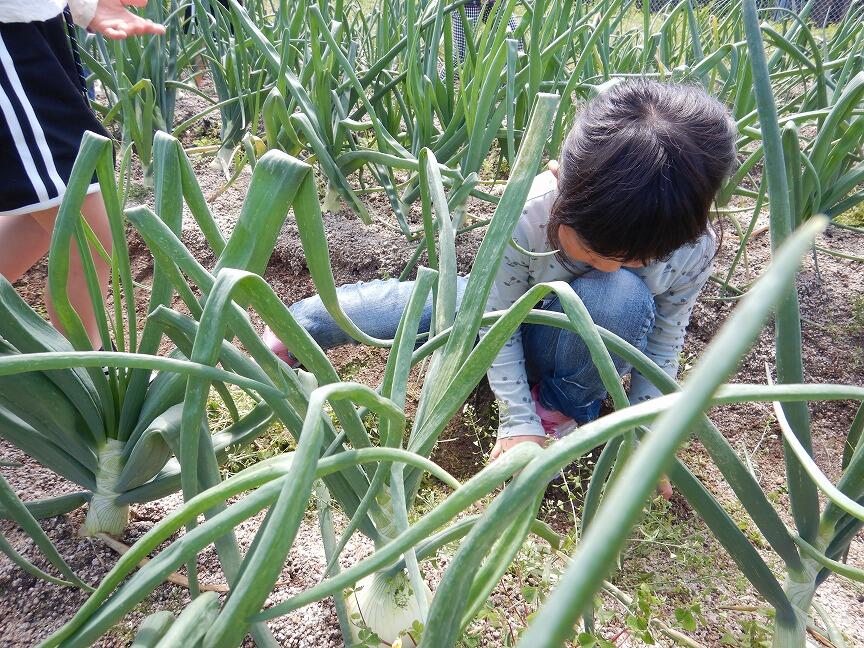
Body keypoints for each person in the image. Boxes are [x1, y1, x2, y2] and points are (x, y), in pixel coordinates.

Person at [264, 80, 737, 466]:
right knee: (433, 304)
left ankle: (556, 410)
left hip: (592, 347)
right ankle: (298, 328)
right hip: (505, 313)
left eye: (638, 258)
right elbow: (492, 315)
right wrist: (515, 421)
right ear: (559, 181)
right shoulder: (531, 211)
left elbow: (664, 342)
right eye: (593, 249)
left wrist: (647, 439)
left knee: (619, 295)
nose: (613, 264)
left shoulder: (690, 247)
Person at [0, 0, 164, 348]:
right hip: (9, 35)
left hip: (32, 24)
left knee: (43, 217)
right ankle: (84, 376)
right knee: (86, 231)